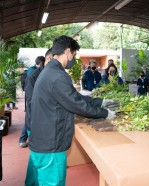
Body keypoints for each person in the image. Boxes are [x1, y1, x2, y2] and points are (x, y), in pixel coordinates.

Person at [25, 35, 117, 186]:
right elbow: (77, 105)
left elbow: (73, 97)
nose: (73, 59)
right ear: (67, 51)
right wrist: (105, 113)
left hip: (41, 141)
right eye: (74, 55)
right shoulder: (58, 75)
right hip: (51, 147)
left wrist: (101, 102)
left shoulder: (49, 72)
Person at [18, 56, 46, 148]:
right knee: (29, 119)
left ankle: (22, 140)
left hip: (29, 97)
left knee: (28, 118)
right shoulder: (34, 72)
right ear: (41, 64)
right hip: (32, 99)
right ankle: (24, 140)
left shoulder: (31, 70)